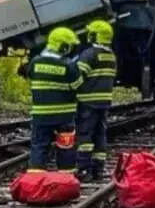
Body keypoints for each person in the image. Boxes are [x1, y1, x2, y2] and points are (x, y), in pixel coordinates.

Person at [27, 27, 83, 172]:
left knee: (39, 146)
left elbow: (31, 77)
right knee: (65, 147)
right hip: (64, 116)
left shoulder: (35, 62)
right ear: (63, 46)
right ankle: (66, 177)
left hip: (40, 115)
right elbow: (77, 85)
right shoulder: (68, 65)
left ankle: (35, 179)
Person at [73, 20, 117, 182]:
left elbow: (78, 76)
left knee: (84, 135)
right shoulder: (111, 55)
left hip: (87, 101)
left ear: (96, 35)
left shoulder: (89, 54)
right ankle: (98, 168)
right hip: (104, 101)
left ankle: (84, 168)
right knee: (100, 134)